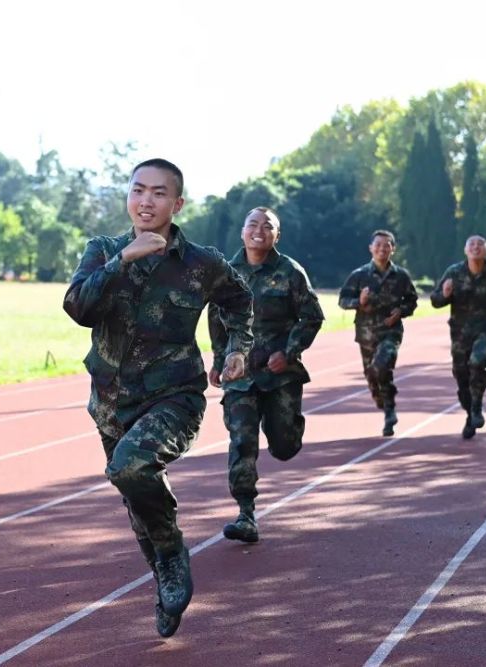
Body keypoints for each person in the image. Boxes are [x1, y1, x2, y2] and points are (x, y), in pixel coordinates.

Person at [64, 158, 253, 638]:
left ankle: (172, 556)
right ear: (128, 196)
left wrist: (236, 348)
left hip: (174, 396)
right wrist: (122, 259)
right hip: (110, 401)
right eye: (138, 191)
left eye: (159, 193)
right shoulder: (104, 249)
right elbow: (78, 308)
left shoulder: (201, 262)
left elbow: (238, 298)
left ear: (177, 203)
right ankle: (164, 580)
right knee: (135, 501)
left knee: (131, 468)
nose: (146, 201)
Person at [209, 207, 324, 544]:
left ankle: (288, 432)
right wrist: (219, 360)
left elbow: (312, 317)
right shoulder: (226, 273)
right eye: (252, 225)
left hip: (280, 375)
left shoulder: (291, 272)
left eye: (267, 226)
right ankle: (246, 513)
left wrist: (288, 354)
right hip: (240, 374)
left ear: (277, 235)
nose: (259, 231)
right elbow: (217, 320)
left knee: (284, 445)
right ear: (242, 231)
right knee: (242, 440)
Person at [430, 234, 486, 439]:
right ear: (465, 250)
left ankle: (477, 406)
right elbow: (435, 301)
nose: (476, 247)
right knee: (462, 377)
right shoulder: (454, 273)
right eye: (471, 244)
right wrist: (444, 295)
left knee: (479, 361)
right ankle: (470, 411)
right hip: (460, 333)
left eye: (480, 244)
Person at [337, 230, 418, 436]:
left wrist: (401, 311)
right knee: (372, 375)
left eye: (387, 245)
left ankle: (390, 412)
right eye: (378, 245)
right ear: (371, 248)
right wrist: (359, 302)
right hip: (366, 334)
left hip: (390, 332)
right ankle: (381, 398)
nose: (382, 248)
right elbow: (343, 301)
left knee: (382, 366)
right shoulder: (359, 275)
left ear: (393, 249)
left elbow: (411, 301)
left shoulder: (401, 276)